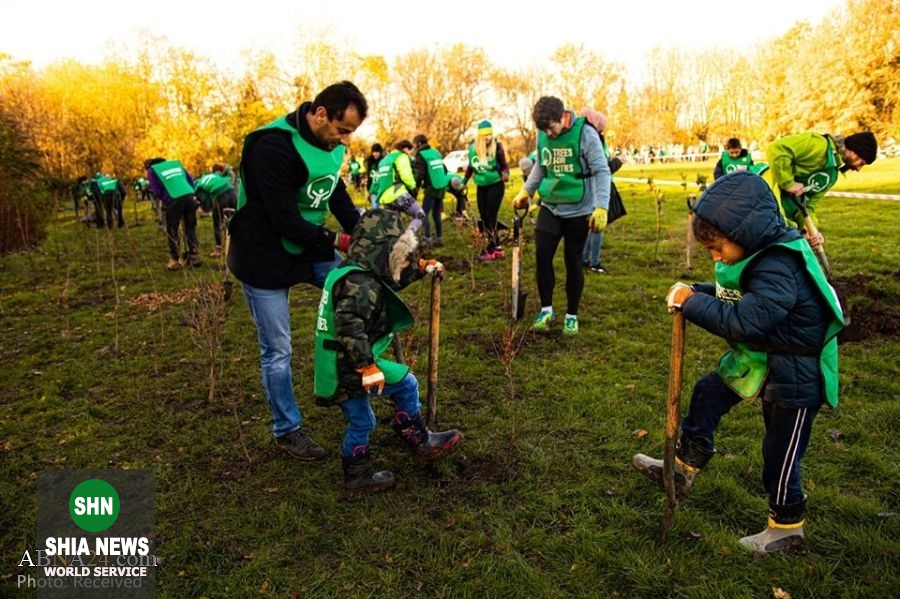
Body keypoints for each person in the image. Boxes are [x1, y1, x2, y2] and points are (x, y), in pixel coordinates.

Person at [632, 171, 845, 554]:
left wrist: (692, 304)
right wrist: (697, 291)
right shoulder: (759, 253)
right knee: (709, 392)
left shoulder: (779, 265)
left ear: (745, 234)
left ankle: (786, 529)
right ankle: (684, 468)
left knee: (779, 455)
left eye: (717, 249)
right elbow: (738, 295)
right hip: (765, 358)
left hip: (798, 373)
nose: (715, 258)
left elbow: (746, 321)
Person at [227, 80, 367, 461]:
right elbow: (284, 220)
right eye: (342, 131)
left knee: (357, 294)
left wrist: (359, 229)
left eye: (351, 133)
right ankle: (286, 429)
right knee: (278, 349)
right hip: (263, 254)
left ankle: (361, 393)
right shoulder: (273, 147)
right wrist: (339, 242)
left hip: (309, 247)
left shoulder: (329, 144)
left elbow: (331, 189)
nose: (344, 141)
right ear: (320, 114)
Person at [313, 208, 463, 495]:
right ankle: (416, 441)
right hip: (348, 364)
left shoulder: (353, 271)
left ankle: (361, 469)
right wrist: (367, 367)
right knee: (404, 386)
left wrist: (419, 268)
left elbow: (389, 277)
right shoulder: (358, 284)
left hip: (339, 361)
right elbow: (349, 328)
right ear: (381, 248)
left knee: (362, 418)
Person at [512, 96, 610, 335]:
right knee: (542, 256)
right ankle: (546, 310)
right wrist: (527, 190)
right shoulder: (544, 134)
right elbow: (541, 166)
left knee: (573, 261)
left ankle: (571, 315)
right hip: (551, 206)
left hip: (579, 208)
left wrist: (601, 207)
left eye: (552, 127)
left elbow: (601, 170)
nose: (549, 133)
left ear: (563, 117)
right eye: (544, 130)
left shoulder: (586, 134)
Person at [763, 130, 877, 249]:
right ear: (854, 152)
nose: (858, 168)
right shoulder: (818, 144)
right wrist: (788, 183)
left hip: (782, 219)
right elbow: (777, 148)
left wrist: (811, 229)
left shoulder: (832, 175)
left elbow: (809, 205)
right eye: (861, 163)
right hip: (764, 200)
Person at [580, 109, 626, 274]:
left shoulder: (593, 138)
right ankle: (594, 261)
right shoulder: (592, 140)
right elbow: (602, 169)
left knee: (591, 225)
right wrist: (618, 162)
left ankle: (584, 258)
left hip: (595, 187)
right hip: (596, 188)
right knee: (597, 226)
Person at [463, 120, 510, 261]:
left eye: (490, 134)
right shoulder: (473, 148)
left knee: (490, 216)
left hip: (495, 184)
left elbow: (504, 165)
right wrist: (464, 181)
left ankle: (490, 249)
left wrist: (506, 173)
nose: (488, 138)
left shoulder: (497, 146)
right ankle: (497, 248)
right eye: (485, 135)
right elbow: (471, 166)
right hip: (481, 186)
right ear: (479, 136)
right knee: (484, 218)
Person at [145, 157, 200, 270]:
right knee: (190, 227)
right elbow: (190, 180)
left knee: (172, 230)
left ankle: (175, 259)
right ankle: (194, 256)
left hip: (173, 199)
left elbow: (155, 189)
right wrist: (190, 193)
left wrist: (165, 199)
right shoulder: (176, 164)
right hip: (189, 196)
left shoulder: (152, 169)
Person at [372, 139, 427, 231]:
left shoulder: (384, 160)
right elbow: (406, 176)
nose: (410, 154)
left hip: (385, 199)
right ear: (405, 149)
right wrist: (413, 187)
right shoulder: (401, 156)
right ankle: (408, 236)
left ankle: (396, 243)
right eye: (410, 152)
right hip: (398, 194)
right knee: (420, 215)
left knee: (395, 227)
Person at [412, 134, 451, 247]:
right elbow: (444, 169)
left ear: (419, 143)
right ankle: (439, 238)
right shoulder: (435, 152)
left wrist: (416, 188)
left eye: (415, 144)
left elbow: (420, 174)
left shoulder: (421, 154)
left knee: (423, 213)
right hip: (441, 186)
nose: (415, 147)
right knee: (436, 214)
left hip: (431, 187)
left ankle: (427, 238)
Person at [194, 168, 238, 258]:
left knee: (217, 223)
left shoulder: (197, 186)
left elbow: (205, 200)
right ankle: (237, 247)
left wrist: (205, 208)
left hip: (220, 196)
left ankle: (219, 249)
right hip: (233, 191)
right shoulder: (213, 175)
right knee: (235, 219)